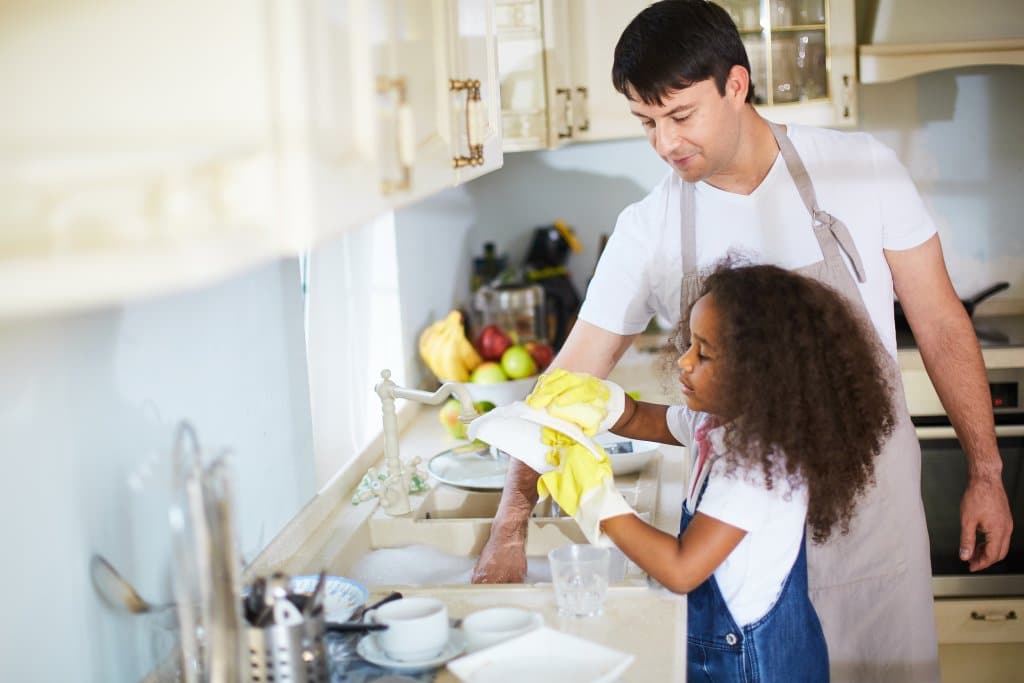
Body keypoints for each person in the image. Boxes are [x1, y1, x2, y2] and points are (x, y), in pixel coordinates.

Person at [471, 1, 1013, 681]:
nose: (665, 145)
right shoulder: (650, 228)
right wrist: (508, 526)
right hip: (743, 551)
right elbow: (565, 386)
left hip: (872, 520)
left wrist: (986, 472)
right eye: (646, 122)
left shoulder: (860, 167)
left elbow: (939, 322)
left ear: (736, 84)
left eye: (680, 115)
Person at [512, 261, 899, 682]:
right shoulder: (721, 423)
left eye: (704, 353)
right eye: (689, 344)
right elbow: (644, 419)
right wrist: (598, 400)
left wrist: (598, 502)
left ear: (759, 376)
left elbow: (682, 570)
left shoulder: (756, 469)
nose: (684, 361)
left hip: (750, 667)